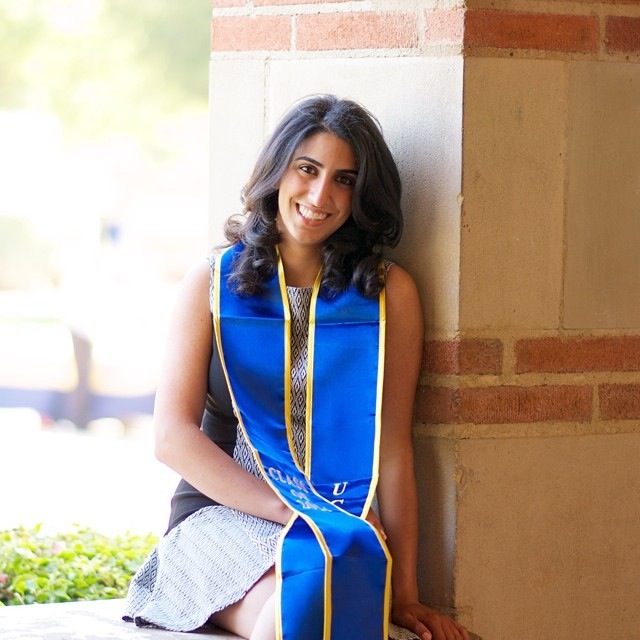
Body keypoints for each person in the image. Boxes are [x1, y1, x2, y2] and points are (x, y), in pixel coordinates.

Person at [123, 94, 469, 640]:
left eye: (345, 180)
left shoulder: (386, 296)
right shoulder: (212, 283)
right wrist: (294, 513)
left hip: (338, 524)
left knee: (330, 573)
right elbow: (172, 437)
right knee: (304, 595)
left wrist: (404, 594)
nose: (320, 195)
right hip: (225, 516)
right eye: (307, 169)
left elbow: (393, 448)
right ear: (277, 170)